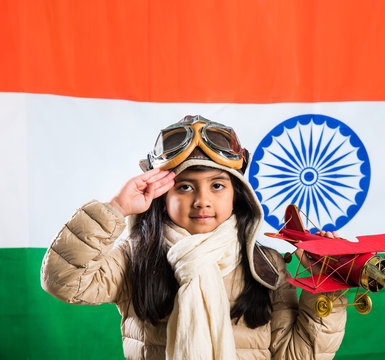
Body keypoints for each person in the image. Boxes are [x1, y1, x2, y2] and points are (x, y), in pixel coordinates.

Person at [41, 115, 347, 360]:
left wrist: (325, 286)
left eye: (217, 186)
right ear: (162, 197)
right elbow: (63, 280)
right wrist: (117, 208)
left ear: (237, 195)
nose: (202, 200)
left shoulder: (265, 265)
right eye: (185, 187)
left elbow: (297, 356)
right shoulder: (135, 258)